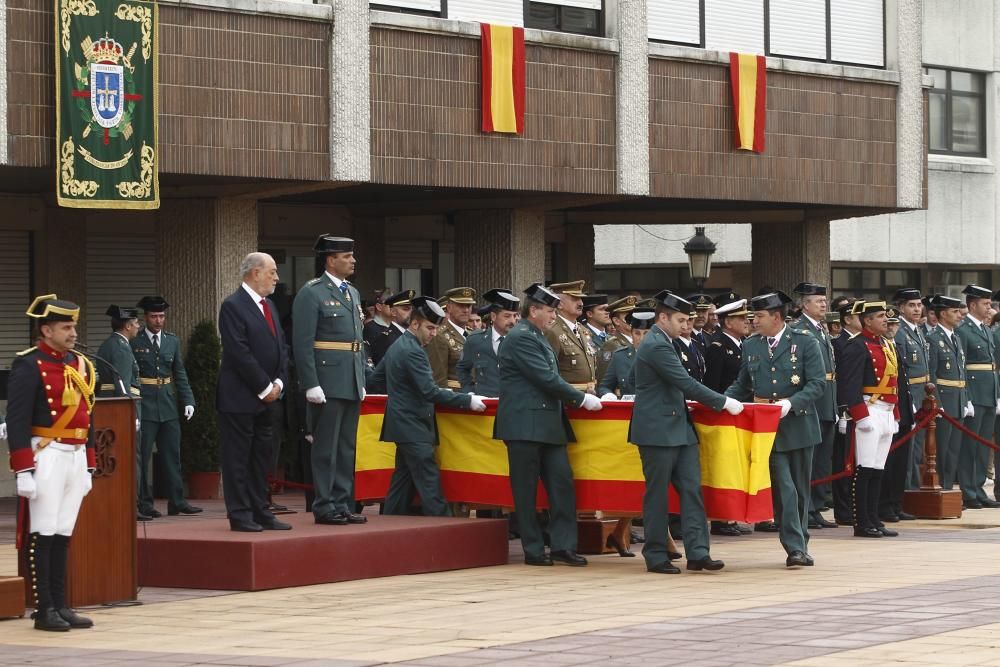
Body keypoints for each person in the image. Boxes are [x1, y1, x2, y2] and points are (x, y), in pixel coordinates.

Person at [629, 291, 744, 574]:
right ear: (663, 317)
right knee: (657, 495)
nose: (686, 325)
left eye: (687, 319)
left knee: (692, 491)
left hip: (679, 427)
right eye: (680, 319)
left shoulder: (667, 342)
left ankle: (698, 552)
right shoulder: (656, 345)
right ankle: (655, 554)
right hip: (657, 430)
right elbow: (684, 382)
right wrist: (723, 402)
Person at [494, 283, 603, 567]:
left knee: (562, 485)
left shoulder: (538, 335)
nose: (554, 316)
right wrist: (580, 398)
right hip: (524, 424)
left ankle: (563, 546)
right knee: (526, 490)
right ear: (534, 310)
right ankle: (532, 548)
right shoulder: (520, 337)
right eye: (549, 310)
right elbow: (544, 377)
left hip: (548, 424)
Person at [9, 295, 96, 631]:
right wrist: (24, 469)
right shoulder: (28, 364)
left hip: (74, 456)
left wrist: (89, 464)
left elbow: (88, 415)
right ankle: (44, 608)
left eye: (74, 326)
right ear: (46, 330)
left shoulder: (79, 364)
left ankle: (61, 604)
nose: (73, 333)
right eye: (66, 327)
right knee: (43, 532)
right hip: (45, 452)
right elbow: (16, 420)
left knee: (63, 533)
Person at [725, 291, 826, 567]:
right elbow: (743, 383)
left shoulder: (805, 342)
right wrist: (723, 400)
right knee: (784, 488)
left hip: (798, 422)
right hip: (766, 427)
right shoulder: (752, 345)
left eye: (759, 316)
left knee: (801, 489)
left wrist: (790, 403)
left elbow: (817, 383)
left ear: (776, 317)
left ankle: (801, 543)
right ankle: (793, 547)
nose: (753, 321)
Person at [370, 297, 487, 516]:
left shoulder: (399, 345)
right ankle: (446, 533)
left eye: (436, 329)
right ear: (415, 324)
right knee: (429, 483)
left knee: (401, 484)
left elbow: (376, 377)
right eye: (430, 328)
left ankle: (389, 526)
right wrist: (467, 400)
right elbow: (429, 391)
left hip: (401, 424)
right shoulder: (414, 351)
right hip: (414, 426)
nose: (433, 334)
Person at [292, 235, 368, 526]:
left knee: (346, 447)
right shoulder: (312, 293)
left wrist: (360, 377)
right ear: (330, 260)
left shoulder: (353, 292)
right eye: (346, 256)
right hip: (326, 380)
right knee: (326, 448)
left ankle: (342, 501)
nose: (352, 260)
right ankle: (324, 505)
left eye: (352, 255)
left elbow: (357, 341)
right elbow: (302, 342)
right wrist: (310, 383)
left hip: (349, 379)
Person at [216, 253, 291, 533]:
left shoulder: (269, 305)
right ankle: (240, 513)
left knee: (262, 457)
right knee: (237, 459)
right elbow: (239, 352)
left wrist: (279, 384)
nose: (276, 277)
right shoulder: (233, 306)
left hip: (268, 397)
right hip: (240, 397)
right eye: (272, 271)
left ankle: (261, 510)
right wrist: (264, 387)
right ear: (255, 273)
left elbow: (281, 347)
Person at [837, 301, 901, 538]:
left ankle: (874, 519)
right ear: (867, 321)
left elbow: (894, 383)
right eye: (880, 316)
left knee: (877, 469)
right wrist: (859, 415)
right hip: (869, 409)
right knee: (863, 469)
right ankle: (861, 522)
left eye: (885, 316)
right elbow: (849, 384)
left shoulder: (885, 344)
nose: (886, 320)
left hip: (886, 410)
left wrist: (895, 414)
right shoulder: (857, 345)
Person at [132, 296, 200, 518]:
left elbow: (179, 372)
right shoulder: (135, 341)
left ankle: (177, 501)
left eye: (161, 316)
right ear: (146, 318)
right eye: (154, 316)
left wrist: (188, 400)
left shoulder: (172, 340)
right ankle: (144, 503)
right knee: (142, 457)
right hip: (146, 404)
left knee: (172, 454)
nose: (158, 321)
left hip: (168, 404)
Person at [791, 282, 838, 530]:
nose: (823, 305)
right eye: (818, 301)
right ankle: (806, 509)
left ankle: (817, 507)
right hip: (813, 402)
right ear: (804, 304)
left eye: (824, 301)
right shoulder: (799, 330)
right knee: (809, 461)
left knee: (822, 461)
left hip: (827, 401)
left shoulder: (821, 329)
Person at [703, 296, 750, 537]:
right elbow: (712, 385)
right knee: (724, 467)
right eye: (741, 318)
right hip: (724, 413)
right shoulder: (718, 346)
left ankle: (731, 516)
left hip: (741, 412)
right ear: (728, 322)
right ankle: (721, 519)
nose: (747, 322)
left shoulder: (743, 345)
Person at [95, 305, 144, 520]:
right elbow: (122, 383)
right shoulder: (122, 348)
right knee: (131, 455)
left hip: (108, 403)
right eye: (136, 324)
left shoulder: (108, 344)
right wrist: (131, 412)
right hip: (123, 405)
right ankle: (131, 505)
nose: (138, 327)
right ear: (127, 326)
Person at [955, 285, 1000, 509]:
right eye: (985, 303)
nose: (989, 307)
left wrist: (997, 394)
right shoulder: (963, 331)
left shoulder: (985, 329)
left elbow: (992, 366)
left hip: (989, 394)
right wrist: (967, 397)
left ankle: (979, 488)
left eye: (990, 303)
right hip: (974, 394)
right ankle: (968, 491)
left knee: (983, 447)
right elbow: (961, 366)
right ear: (973, 305)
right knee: (970, 446)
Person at [926, 294, 967, 492]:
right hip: (944, 399)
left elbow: (961, 370)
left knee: (954, 450)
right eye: (955, 311)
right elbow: (931, 373)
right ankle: (940, 488)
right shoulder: (933, 339)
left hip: (958, 398)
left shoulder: (955, 337)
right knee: (941, 449)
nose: (959, 315)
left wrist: (966, 399)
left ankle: (949, 488)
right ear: (943, 314)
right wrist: (937, 402)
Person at [892, 288, 928, 498]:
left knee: (918, 449)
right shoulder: (900, 331)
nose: (917, 309)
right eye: (911, 305)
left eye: (918, 305)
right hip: (910, 394)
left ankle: (914, 488)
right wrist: (909, 399)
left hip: (923, 394)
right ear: (901, 308)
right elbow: (901, 369)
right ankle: (906, 491)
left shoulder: (916, 330)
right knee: (908, 447)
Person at [457, 289, 520, 397]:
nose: (512, 321)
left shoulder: (523, 342)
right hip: (485, 406)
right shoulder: (475, 341)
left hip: (515, 404)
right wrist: (469, 392)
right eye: (507, 316)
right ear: (493, 317)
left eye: (514, 316)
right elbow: (462, 368)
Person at [544, 281, 598, 393]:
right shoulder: (553, 331)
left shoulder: (583, 330)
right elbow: (549, 372)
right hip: (568, 398)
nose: (581, 303)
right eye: (574, 299)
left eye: (581, 299)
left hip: (590, 395)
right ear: (559, 304)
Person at [426, 287, 477, 388]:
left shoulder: (473, 335)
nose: (466, 310)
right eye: (461, 306)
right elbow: (438, 380)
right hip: (456, 397)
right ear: (449, 308)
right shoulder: (439, 336)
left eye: (468, 306)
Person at [599, 310, 655, 399]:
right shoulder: (620, 356)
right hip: (630, 409)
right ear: (631, 334)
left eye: (646, 333)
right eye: (637, 333)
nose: (641, 338)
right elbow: (604, 387)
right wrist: (608, 395)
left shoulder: (664, 355)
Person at [368, 290, 414, 367]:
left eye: (412, 309)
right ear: (393, 312)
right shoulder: (386, 339)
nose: (411, 313)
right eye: (406, 309)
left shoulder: (409, 336)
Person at [362, 288, 393, 353]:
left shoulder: (395, 326)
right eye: (390, 304)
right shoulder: (370, 328)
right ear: (379, 307)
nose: (394, 307)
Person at [581, 294, 611, 358]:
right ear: (589, 314)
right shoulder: (582, 334)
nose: (607, 312)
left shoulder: (611, 337)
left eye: (608, 309)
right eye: (602, 309)